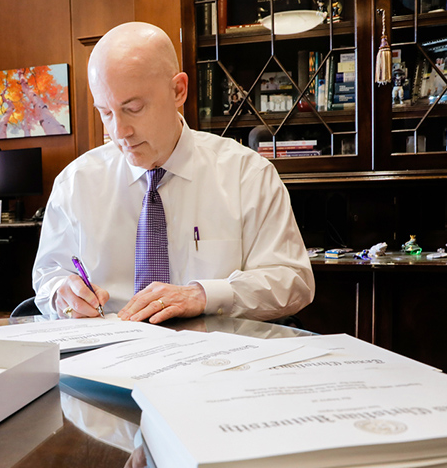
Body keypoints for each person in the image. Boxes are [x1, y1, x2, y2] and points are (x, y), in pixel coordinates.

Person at [31, 22, 314, 323]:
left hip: (216, 356)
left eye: (134, 108)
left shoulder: (247, 175)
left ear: (179, 90)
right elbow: (48, 277)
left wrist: (202, 295)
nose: (119, 131)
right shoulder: (76, 183)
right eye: (106, 112)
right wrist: (62, 293)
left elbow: (293, 280)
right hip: (109, 355)